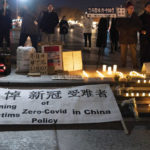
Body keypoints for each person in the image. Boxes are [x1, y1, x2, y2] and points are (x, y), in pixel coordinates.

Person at [116, 2, 141, 68]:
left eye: (133, 8)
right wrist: (123, 30)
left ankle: (135, 65)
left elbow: (139, 25)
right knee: (123, 53)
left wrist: (133, 29)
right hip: (123, 37)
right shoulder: (121, 16)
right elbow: (117, 26)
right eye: (131, 8)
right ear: (127, 8)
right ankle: (123, 65)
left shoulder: (135, 16)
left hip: (132, 37)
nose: (132, 9)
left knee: (134, 53)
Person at [139, 1, 150, 67]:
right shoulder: (141, 17)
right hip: (144, 38)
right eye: (148, 7)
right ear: (145, 8)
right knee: (143, 53)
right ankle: (142, 66)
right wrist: (141, 31)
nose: (149, 8)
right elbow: (138, 26)